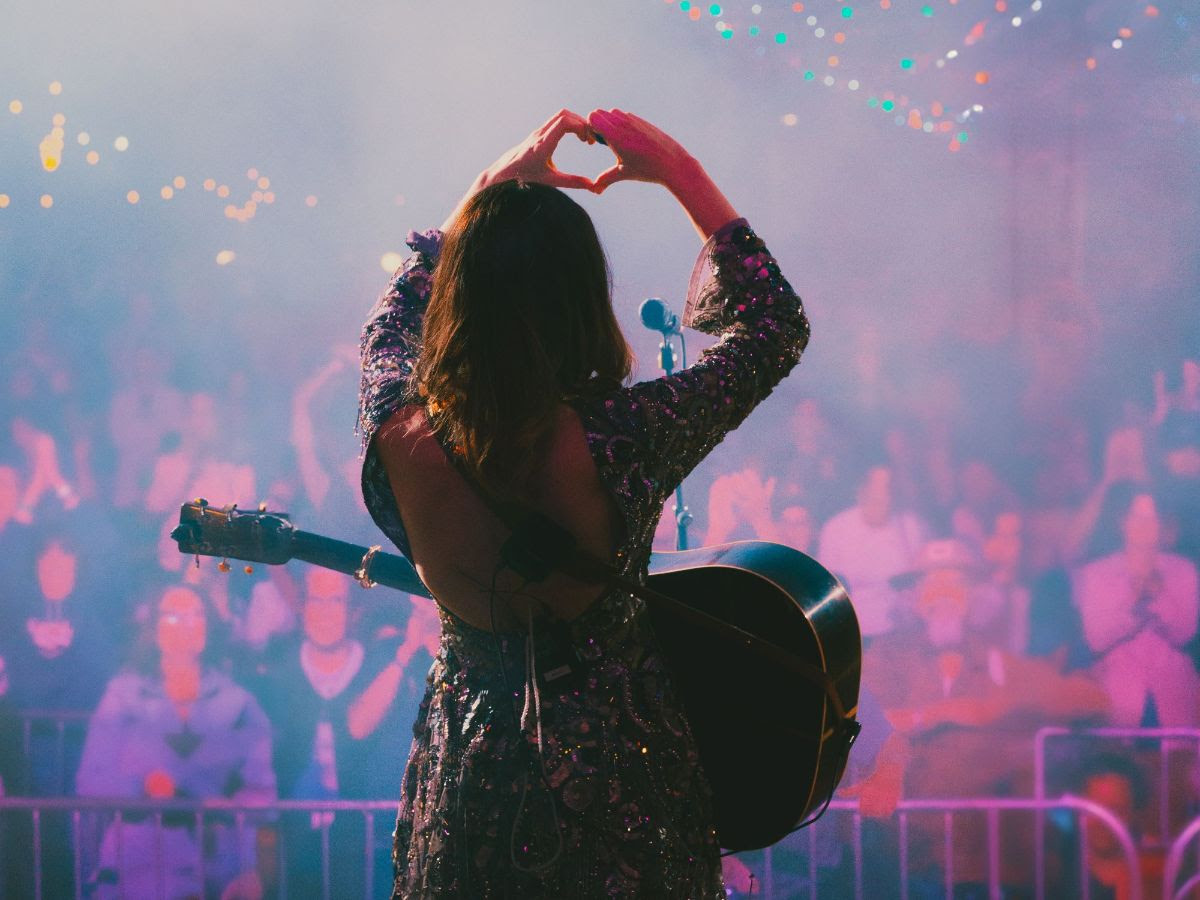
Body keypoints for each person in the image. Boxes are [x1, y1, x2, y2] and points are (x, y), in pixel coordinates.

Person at [357, 108, 810, 896]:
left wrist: (485, 194)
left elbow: (394, 315)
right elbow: (775, 330)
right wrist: (681, 173)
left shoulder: (399, 431)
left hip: (466, 783)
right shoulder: (624, 436)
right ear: (580, 298)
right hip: (618, 791)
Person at [76, 585, 276, 899]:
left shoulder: (238, 703)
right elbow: (91, 780)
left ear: (208, 626)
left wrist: (246, 860)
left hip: (213, 867)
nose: (185, 625)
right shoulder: (122, 695)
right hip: (136, 863)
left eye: (195, 615)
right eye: (172, 616)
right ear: (154, 628)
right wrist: (142, 787)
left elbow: (262, 795)